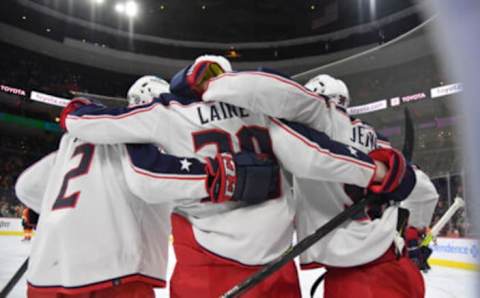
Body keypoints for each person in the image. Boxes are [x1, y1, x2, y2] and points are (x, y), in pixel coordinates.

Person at [60, 56, 404, 298]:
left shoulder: (167, 113)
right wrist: (377, 170)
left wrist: (75, 110)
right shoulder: (265, 112)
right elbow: (312, 155)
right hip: (276, 265)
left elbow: (118, 149)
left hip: (207, 270)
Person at [15, 76, 278, 298]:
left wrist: (71, 219)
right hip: (115, 270)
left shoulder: (72, 142)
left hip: (45, 271)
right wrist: (227, 176)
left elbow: (26, 187)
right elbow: (149, 179)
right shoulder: (145, 137)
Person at [201, 71, 439, 297]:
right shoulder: (380, 141)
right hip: (398, 266)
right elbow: (425, 191)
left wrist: (214, 86)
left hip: (358, 280)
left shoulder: (320, 118)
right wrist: (411, 235)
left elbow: (301, 152)